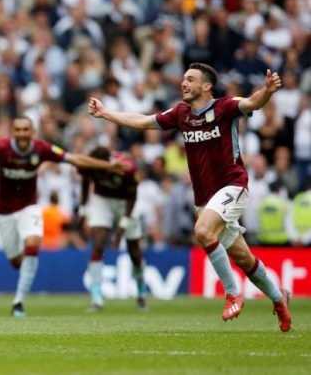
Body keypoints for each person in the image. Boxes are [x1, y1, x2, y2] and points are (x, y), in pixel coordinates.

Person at [88, 63, 292, 332]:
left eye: (190, 79)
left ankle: (232, 292)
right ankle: (279, 299)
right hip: (205, 198)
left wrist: (267, 91)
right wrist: (105, 113)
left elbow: (253, 102)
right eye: (183, 78)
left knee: (203, 232)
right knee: (243, 257)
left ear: (206, 86)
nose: (183, 83)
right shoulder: (181, 113)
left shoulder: (225, 107)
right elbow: (143, 121)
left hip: (232, 186)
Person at [0, 116, 127, 317]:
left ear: (32, 132)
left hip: (28, 206)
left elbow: (75, 159)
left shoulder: (41, 148)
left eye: (25, 130)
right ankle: (24, 267)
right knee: (16, 262)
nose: (22, 133)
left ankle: (18, 302)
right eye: (18, 130)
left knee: (33, 243)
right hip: (3, 212)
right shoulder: (1, 148)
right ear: (13, 132)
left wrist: (108, 166)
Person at [77, 146, 146, 311]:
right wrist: (83, 209)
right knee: (98, 243)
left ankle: (141, 292)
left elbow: (132, 197)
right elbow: (86, 182)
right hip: (102, 200)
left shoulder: (127, 168)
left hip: (126, 203)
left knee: (134, 251)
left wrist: (120, 229)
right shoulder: (88, 164)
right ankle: (96, 298)